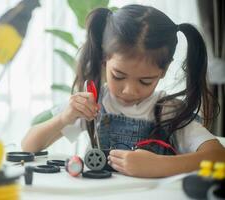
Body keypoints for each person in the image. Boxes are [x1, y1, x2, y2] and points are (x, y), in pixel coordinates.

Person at [22, 4, 225, 178]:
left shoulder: (168, 110)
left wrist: (159, 166)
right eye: (118, 76)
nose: (129, 90)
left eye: (145, 81)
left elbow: (218, 156)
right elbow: (28, 146)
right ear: (105, 59)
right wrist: (65, 118)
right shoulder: (94, 103)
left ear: (163, 71)